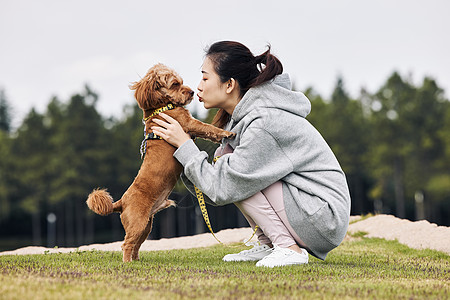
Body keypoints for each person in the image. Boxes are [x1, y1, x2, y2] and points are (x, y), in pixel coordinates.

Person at [151, 41, 351, 268]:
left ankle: (287, 248)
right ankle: (270, 244)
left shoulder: (263, 122)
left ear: (229, 85)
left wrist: (185, 146)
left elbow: (224, 185)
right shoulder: (242, 120)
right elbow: (215, 189)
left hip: (323, 219)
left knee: (235, 171)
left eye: (205, 78)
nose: (198, 86)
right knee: (232, 166)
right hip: (309, 210)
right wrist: (179, 150)